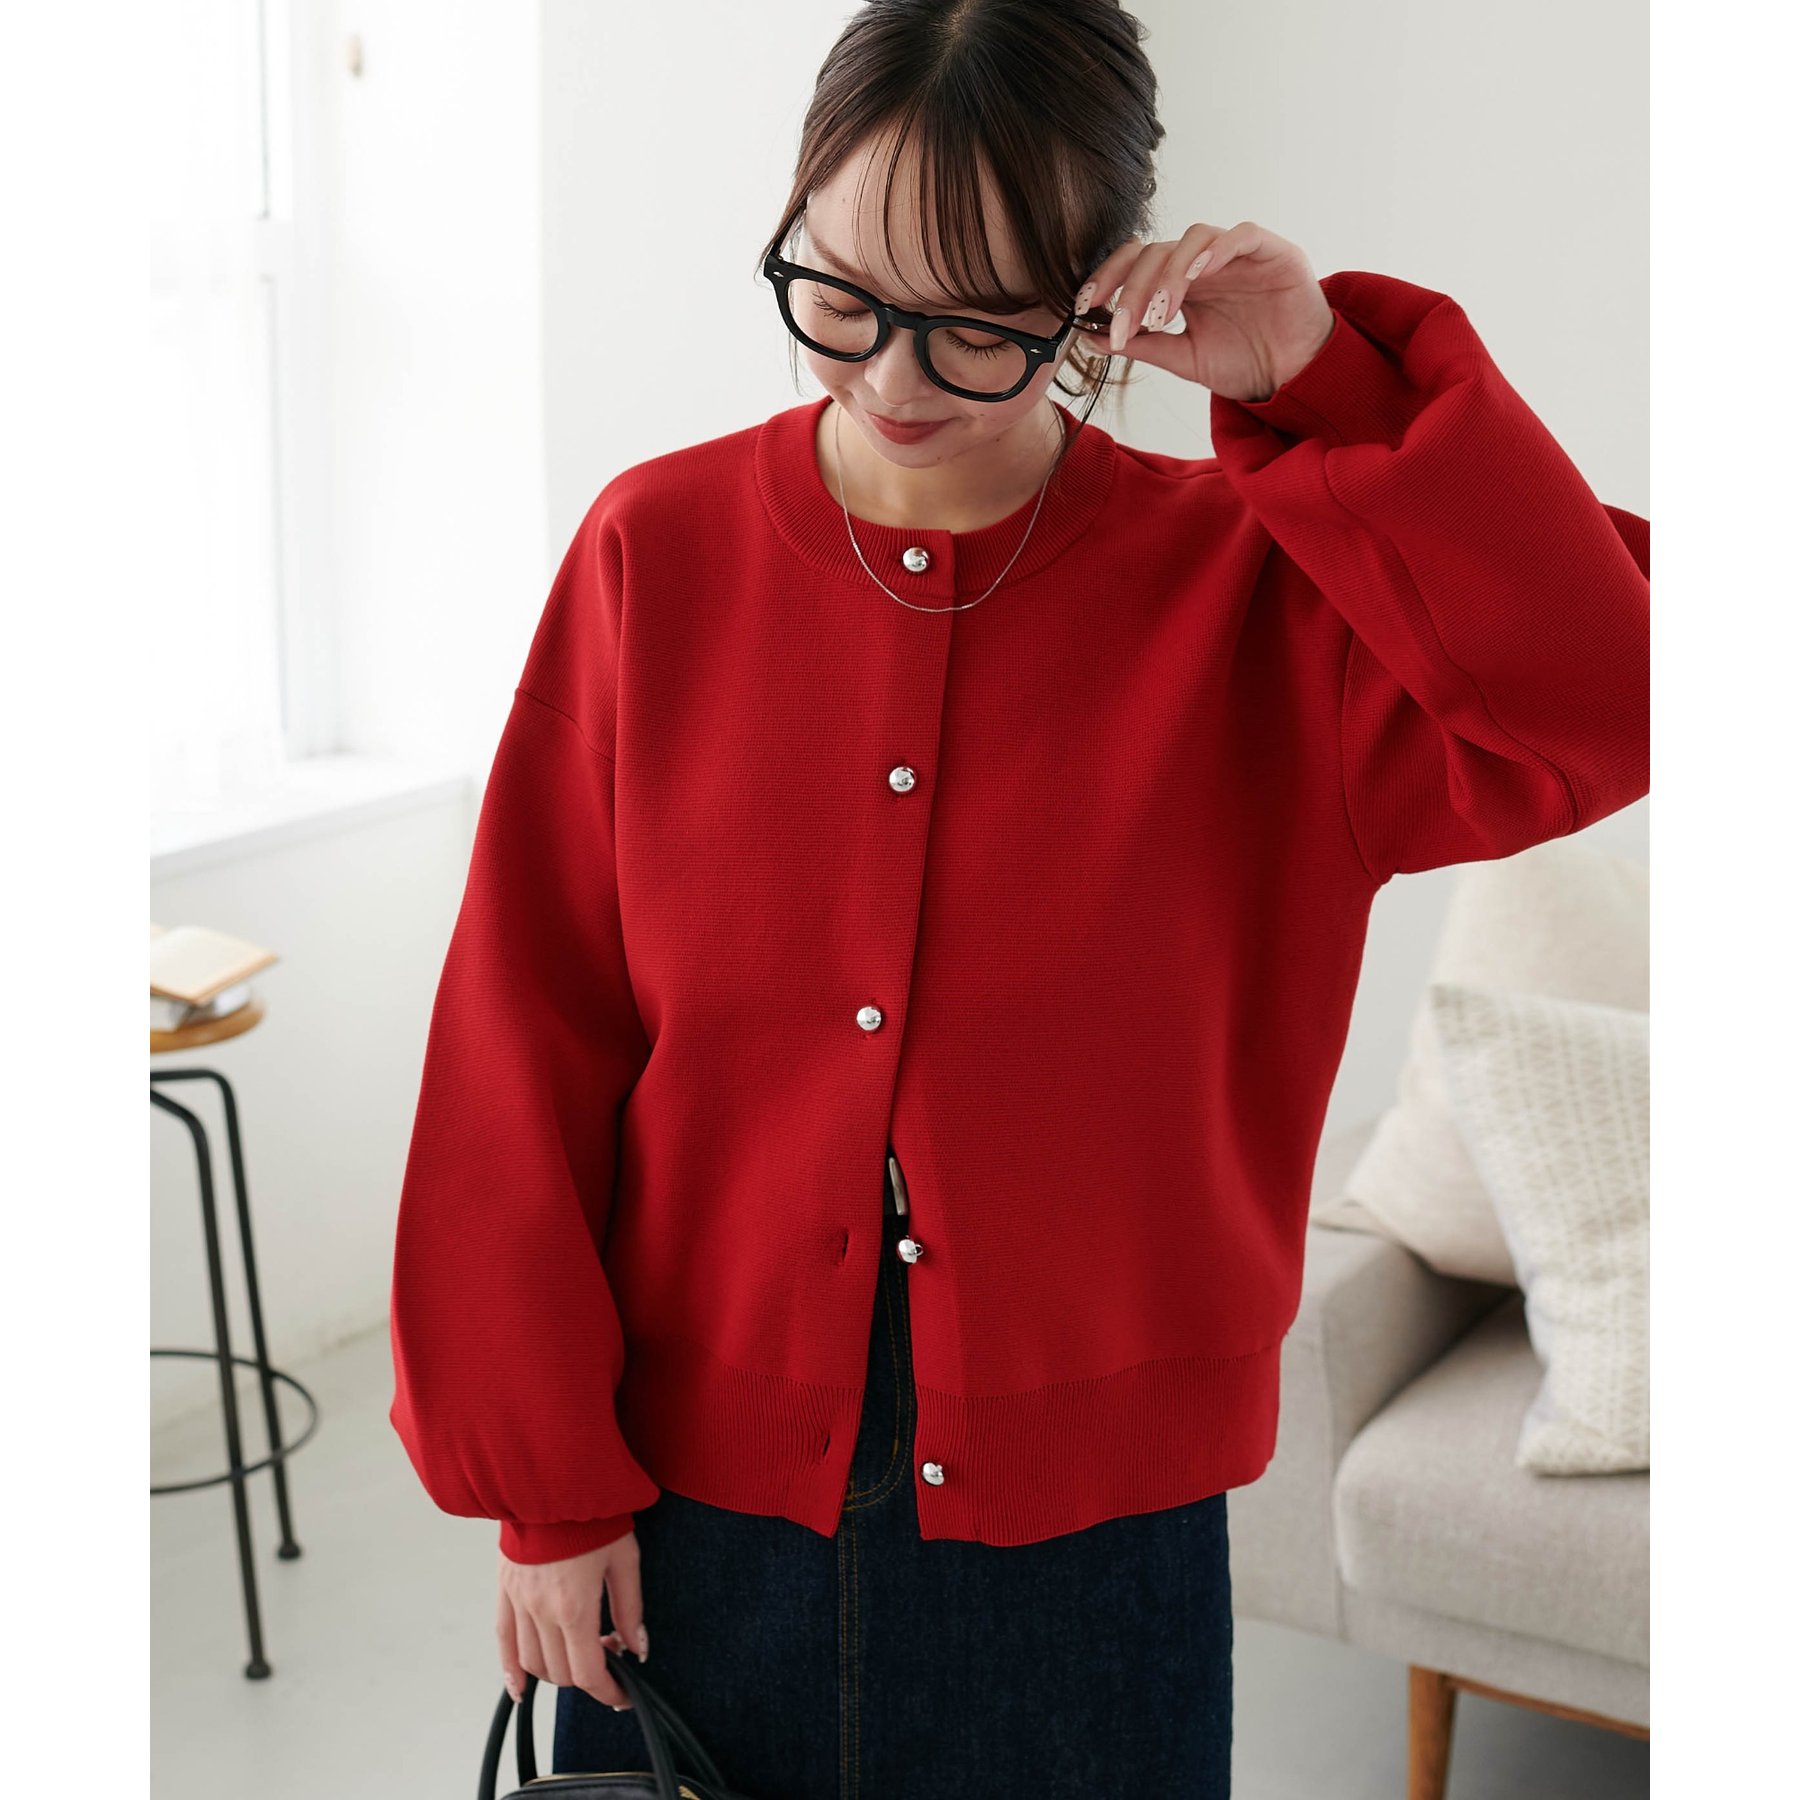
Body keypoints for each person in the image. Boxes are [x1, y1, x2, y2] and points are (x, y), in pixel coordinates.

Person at [386, 2, 1650, 1794]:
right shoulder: (650, 555)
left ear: (1096, 290)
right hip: (686, 1515)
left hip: (1092, 1548)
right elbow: (523, 1042)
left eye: (978, 322)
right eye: (841, 294)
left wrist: (1324, 386)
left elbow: (1610, 703)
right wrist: (546, 1496)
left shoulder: (1262, 597)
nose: (894, 379)